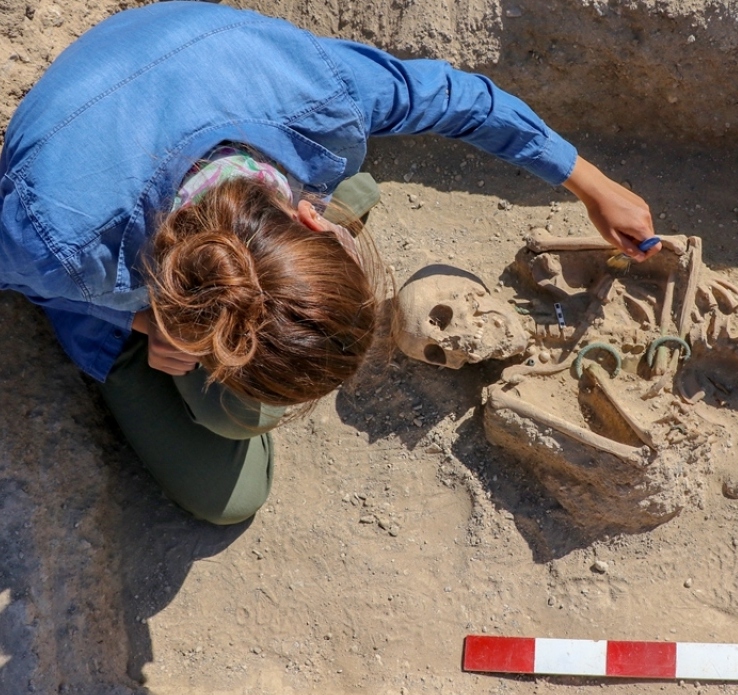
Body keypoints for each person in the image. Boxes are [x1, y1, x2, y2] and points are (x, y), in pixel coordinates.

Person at [0, 1, 657, 525]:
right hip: (94, 171)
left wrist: (590, 184)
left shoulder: (317, 88)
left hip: (204, 68)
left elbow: (459, 98)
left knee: (353, 189)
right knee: (235, 465)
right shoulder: (53, 241)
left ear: (308, 217)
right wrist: (151, 325)